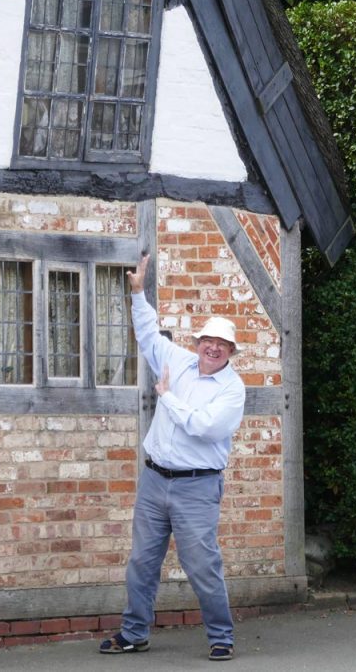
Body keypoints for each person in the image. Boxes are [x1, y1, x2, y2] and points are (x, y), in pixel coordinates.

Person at [99, 254, 246, 662]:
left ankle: (221, 636)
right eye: (207, 341)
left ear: (231, 351)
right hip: (154, 480)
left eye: (222, 345)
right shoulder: (178, 360)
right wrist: (137, 292)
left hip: (198, 486)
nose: (213, 348)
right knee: (142, 563)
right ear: (198, 343)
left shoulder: (232, 390)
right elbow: (148, 335)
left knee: (202, 565)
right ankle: (133, 633)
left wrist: (167, 398)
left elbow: (203, 427)